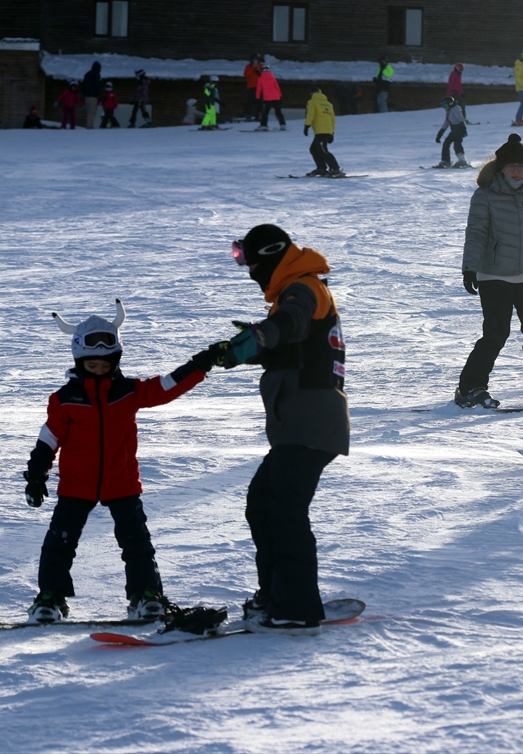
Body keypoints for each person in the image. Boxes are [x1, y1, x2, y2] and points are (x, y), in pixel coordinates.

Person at [22, 299, 221, 623]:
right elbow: (49, 438)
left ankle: (145, 595)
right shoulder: (65, 399)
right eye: (92, 365)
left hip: (122, 482)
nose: (100, 370)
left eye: (106, 364)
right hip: (76, 485)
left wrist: (200, 364)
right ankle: (50, 598)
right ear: (79, 361)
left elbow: (166, 386)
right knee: (59, 544)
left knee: (136, 543)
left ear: (115, 360)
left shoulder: (129, 391)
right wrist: (36, 474)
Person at [211, 225, 349, 635]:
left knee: (284, 513)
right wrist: (246, 349)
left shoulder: (303, 289)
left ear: (269, 257)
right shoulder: (296, 289)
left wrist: (261, 336)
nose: (250, 271)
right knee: (263, 505)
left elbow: (290, 323)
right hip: (299, 424)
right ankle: (275, 595)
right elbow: (291, 346)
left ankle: (295, 607)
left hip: (311, 422)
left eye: (251, 262)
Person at [457, 134, 523, 409]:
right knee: (496, 333)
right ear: (501, 167)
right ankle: (470, 387)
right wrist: (470, 268)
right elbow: (476, 234)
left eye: (521, 165)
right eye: (511, 165)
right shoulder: (485, 195)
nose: (516, 170)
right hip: (493, 275)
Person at [304, 87, 342, 176]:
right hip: (327, 130)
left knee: (322, 150)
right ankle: (321, 168)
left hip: (320, 131)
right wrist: (332, 133)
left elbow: (310, 114)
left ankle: (335, 168)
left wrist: (306, 125)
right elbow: (333, 119)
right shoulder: (328, 104)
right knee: (313, 149)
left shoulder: (312, 102)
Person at [434, 95, 469, 169]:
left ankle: (462, 161)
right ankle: (446, 161)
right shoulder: (449, 111)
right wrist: (440, 134)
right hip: (454, 129)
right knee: (446, 143)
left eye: (445, 105)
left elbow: (461, 119)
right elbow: (446, 122)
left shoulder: (456, 109)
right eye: (442, 105)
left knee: (457, 144)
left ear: (450, 104)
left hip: (459, 129)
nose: (444, 107)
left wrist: (463, 128)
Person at [256, 65, 286, 130]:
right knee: (278, 111)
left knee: (265, 112)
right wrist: (280, 96)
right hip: (276, 97)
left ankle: (264, 125)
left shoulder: (261, 79)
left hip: (267, 97)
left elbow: (259, 89)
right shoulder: (273, 78)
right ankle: (282, 124)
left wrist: (257, 97)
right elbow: (277, 88)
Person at [82, 61, 103, 129]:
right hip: (92, 96)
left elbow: (83, 86)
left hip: (86, 96)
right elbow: (97, 85)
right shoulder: (96, 75)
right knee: (92, 112)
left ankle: (89, 125)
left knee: (89, 112)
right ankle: (89, 126)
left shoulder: (87, 74)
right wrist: (101, 94)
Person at [243, 54, 262, 121]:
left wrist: (258, 69)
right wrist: (252, 68)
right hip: (251, 87)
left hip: (260, 87)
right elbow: (245, 74)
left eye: (256, 58)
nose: (255, 59)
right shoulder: (248, 66)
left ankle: (258, 115)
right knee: (250, 102)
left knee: (259, 102)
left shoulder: (263, 65)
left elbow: (267, 74)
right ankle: (248, 115)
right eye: (254, 58)